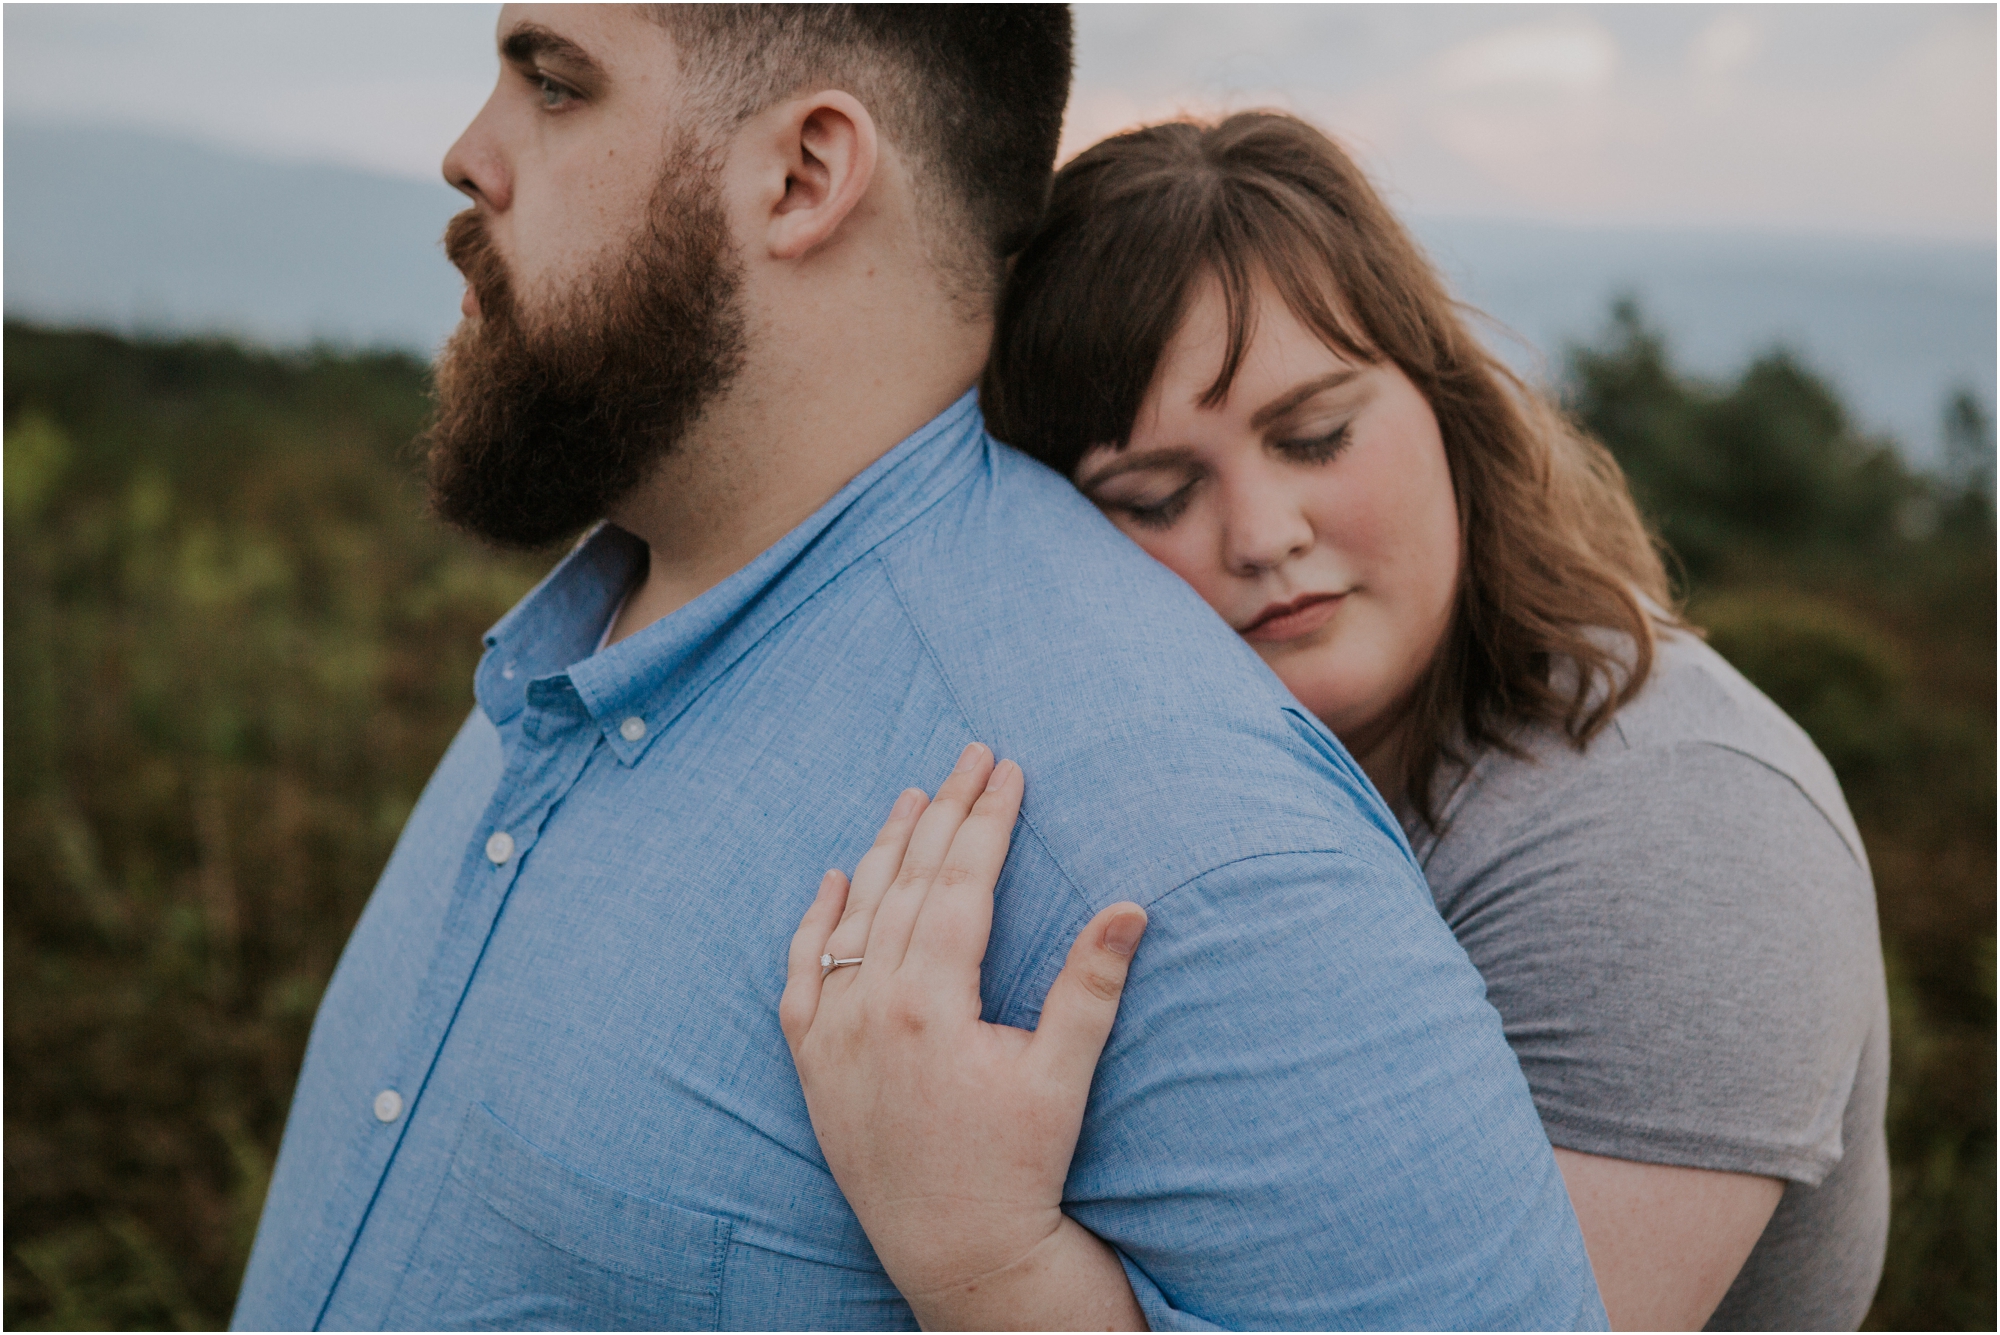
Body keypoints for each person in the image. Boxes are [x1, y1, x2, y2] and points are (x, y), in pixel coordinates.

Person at [231, 9, 1605, 1331]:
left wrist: (995, 1277)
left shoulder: (1175, 827)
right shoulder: (594, 626)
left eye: (555, 80)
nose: (470, 151)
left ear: (806, 173)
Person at [781, 113, 1891, 1331]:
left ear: (1444, 404)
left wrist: (982, 1261)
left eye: (1313, 436)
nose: (1262, 534)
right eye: (1152, 497)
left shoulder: (1681, 837)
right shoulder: (1153, 770)